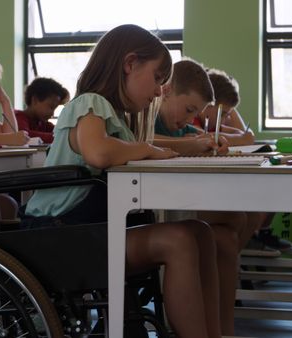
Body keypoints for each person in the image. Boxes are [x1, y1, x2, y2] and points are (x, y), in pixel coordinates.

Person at [23, 24, 224, 337]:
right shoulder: (90, 102)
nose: (160, 91)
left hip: (87, 231)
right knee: (180, 241)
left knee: (201, 233)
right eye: (158, 78)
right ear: (129, 64)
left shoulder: (114, 117)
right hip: (60, 236)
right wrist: (146, 148)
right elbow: (98, 153)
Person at [151, 59, 247, 335]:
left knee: (226, 238)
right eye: (189, 109)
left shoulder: (181, 124)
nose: (188, 117)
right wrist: (191, 143)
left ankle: (223, 331)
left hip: (174, 203)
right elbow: (141, 138)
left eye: (195, 112)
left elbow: (202, 135)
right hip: (155, 207)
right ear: (166, 91)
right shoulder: (148, 116)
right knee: (234, 217)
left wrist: (212, 140)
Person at [200, 68, 292, 253]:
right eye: (224, 113)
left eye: (228, 114)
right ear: (207, 103)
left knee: (257, 208)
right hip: (203, 192)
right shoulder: (194, 122)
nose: (227, 118)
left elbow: (246, 136)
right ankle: (236, 256)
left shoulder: (206, 122)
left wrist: (228, 112)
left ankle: (237, 256)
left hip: (212, 186)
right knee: (247, 214)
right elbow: (246, 137)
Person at [15, 77, 68, 144]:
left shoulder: (43, 123)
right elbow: (25, 135)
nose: (52, 113)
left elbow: (61, 132)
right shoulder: (18, 118)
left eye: (55, 108)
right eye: (51, 107)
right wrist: (59, 137)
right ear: (35, 100)